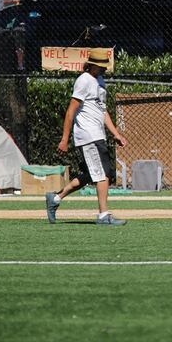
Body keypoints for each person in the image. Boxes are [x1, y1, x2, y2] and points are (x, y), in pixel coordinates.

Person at [45, 48, 128, 226]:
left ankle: (55, 199)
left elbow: (102, 111)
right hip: (88, 136)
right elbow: (71, 111)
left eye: (105, 66)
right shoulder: (83, 80)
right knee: (103, 174)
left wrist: (116, 134)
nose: (104, 69)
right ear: (91, 65)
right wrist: (65, 139)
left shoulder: (99, 81)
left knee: (91, 175)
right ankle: (103, 215)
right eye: (101, 66)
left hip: (98, 135)